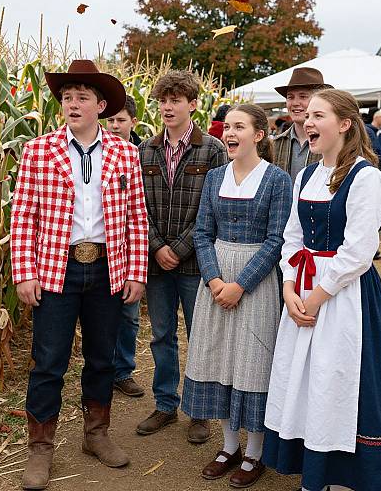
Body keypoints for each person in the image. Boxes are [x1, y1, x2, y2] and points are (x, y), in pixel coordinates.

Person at [10, 60, 149, 490]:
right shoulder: (39, 150)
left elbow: (136, 218)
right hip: (56, 268)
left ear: (101, 105)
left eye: (82, 97)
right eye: (67, 97)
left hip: (109, 265)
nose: (72, 103)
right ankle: (40, 449)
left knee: (102, 357)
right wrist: (24, 272)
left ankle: (96, 435)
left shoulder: (125, 152)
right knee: (49, 361)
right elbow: (22, 217)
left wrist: (137, 272)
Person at [263, 89, 381, 491]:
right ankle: (317, 474)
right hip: (304, 289)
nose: (307, 122)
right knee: (310, 380)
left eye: (318, 115)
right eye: (306, 115)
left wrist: (314, 296)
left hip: (347, 298)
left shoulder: (366, 177)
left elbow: (359, 251)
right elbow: (291, 236)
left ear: (344, 124)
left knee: (340, 379)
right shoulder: (305, 175)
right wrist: (290, 288)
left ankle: (346, 479)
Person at [181, 104, 292, 488]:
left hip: (256, 283)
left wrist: (240, 284)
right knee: (220, 360)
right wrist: (214, 281)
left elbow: (278, 240)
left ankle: (256, 451)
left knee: (252, 362)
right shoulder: (214, 177)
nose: (229, 132)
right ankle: (229, 446)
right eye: (227, 126)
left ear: (258, 135)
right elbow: (201, 234)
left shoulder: (277, 180)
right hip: (215, 278)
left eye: (239, 127)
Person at [137, 70, 228, 442]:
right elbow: (136, 206)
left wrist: (180, 247)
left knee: (199, 334)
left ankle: (199, 410)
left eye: (175, 100)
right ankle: (164, 404)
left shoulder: (213, 150)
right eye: (163, 100)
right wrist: (157, 245)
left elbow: (216, 206)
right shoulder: (146, 149)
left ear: (193, 105)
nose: (167, 107)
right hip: (156, 261)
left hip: (195, 263)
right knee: (161, 335)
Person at [106, 95, 145, 397]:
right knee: (101, 318)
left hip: (129, 250)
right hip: (100, 253)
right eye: (111, 120)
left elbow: (141, 212)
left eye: (121, 120)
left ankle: (123, 370)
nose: (115, 125)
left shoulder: (141, 153)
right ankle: (102, 370)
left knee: (129, 317)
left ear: (133, 121)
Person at [273, 67, 332, 180]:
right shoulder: (275, 144)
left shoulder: (334, 143)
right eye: (290, 97)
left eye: (303, 96)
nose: (295, 103)